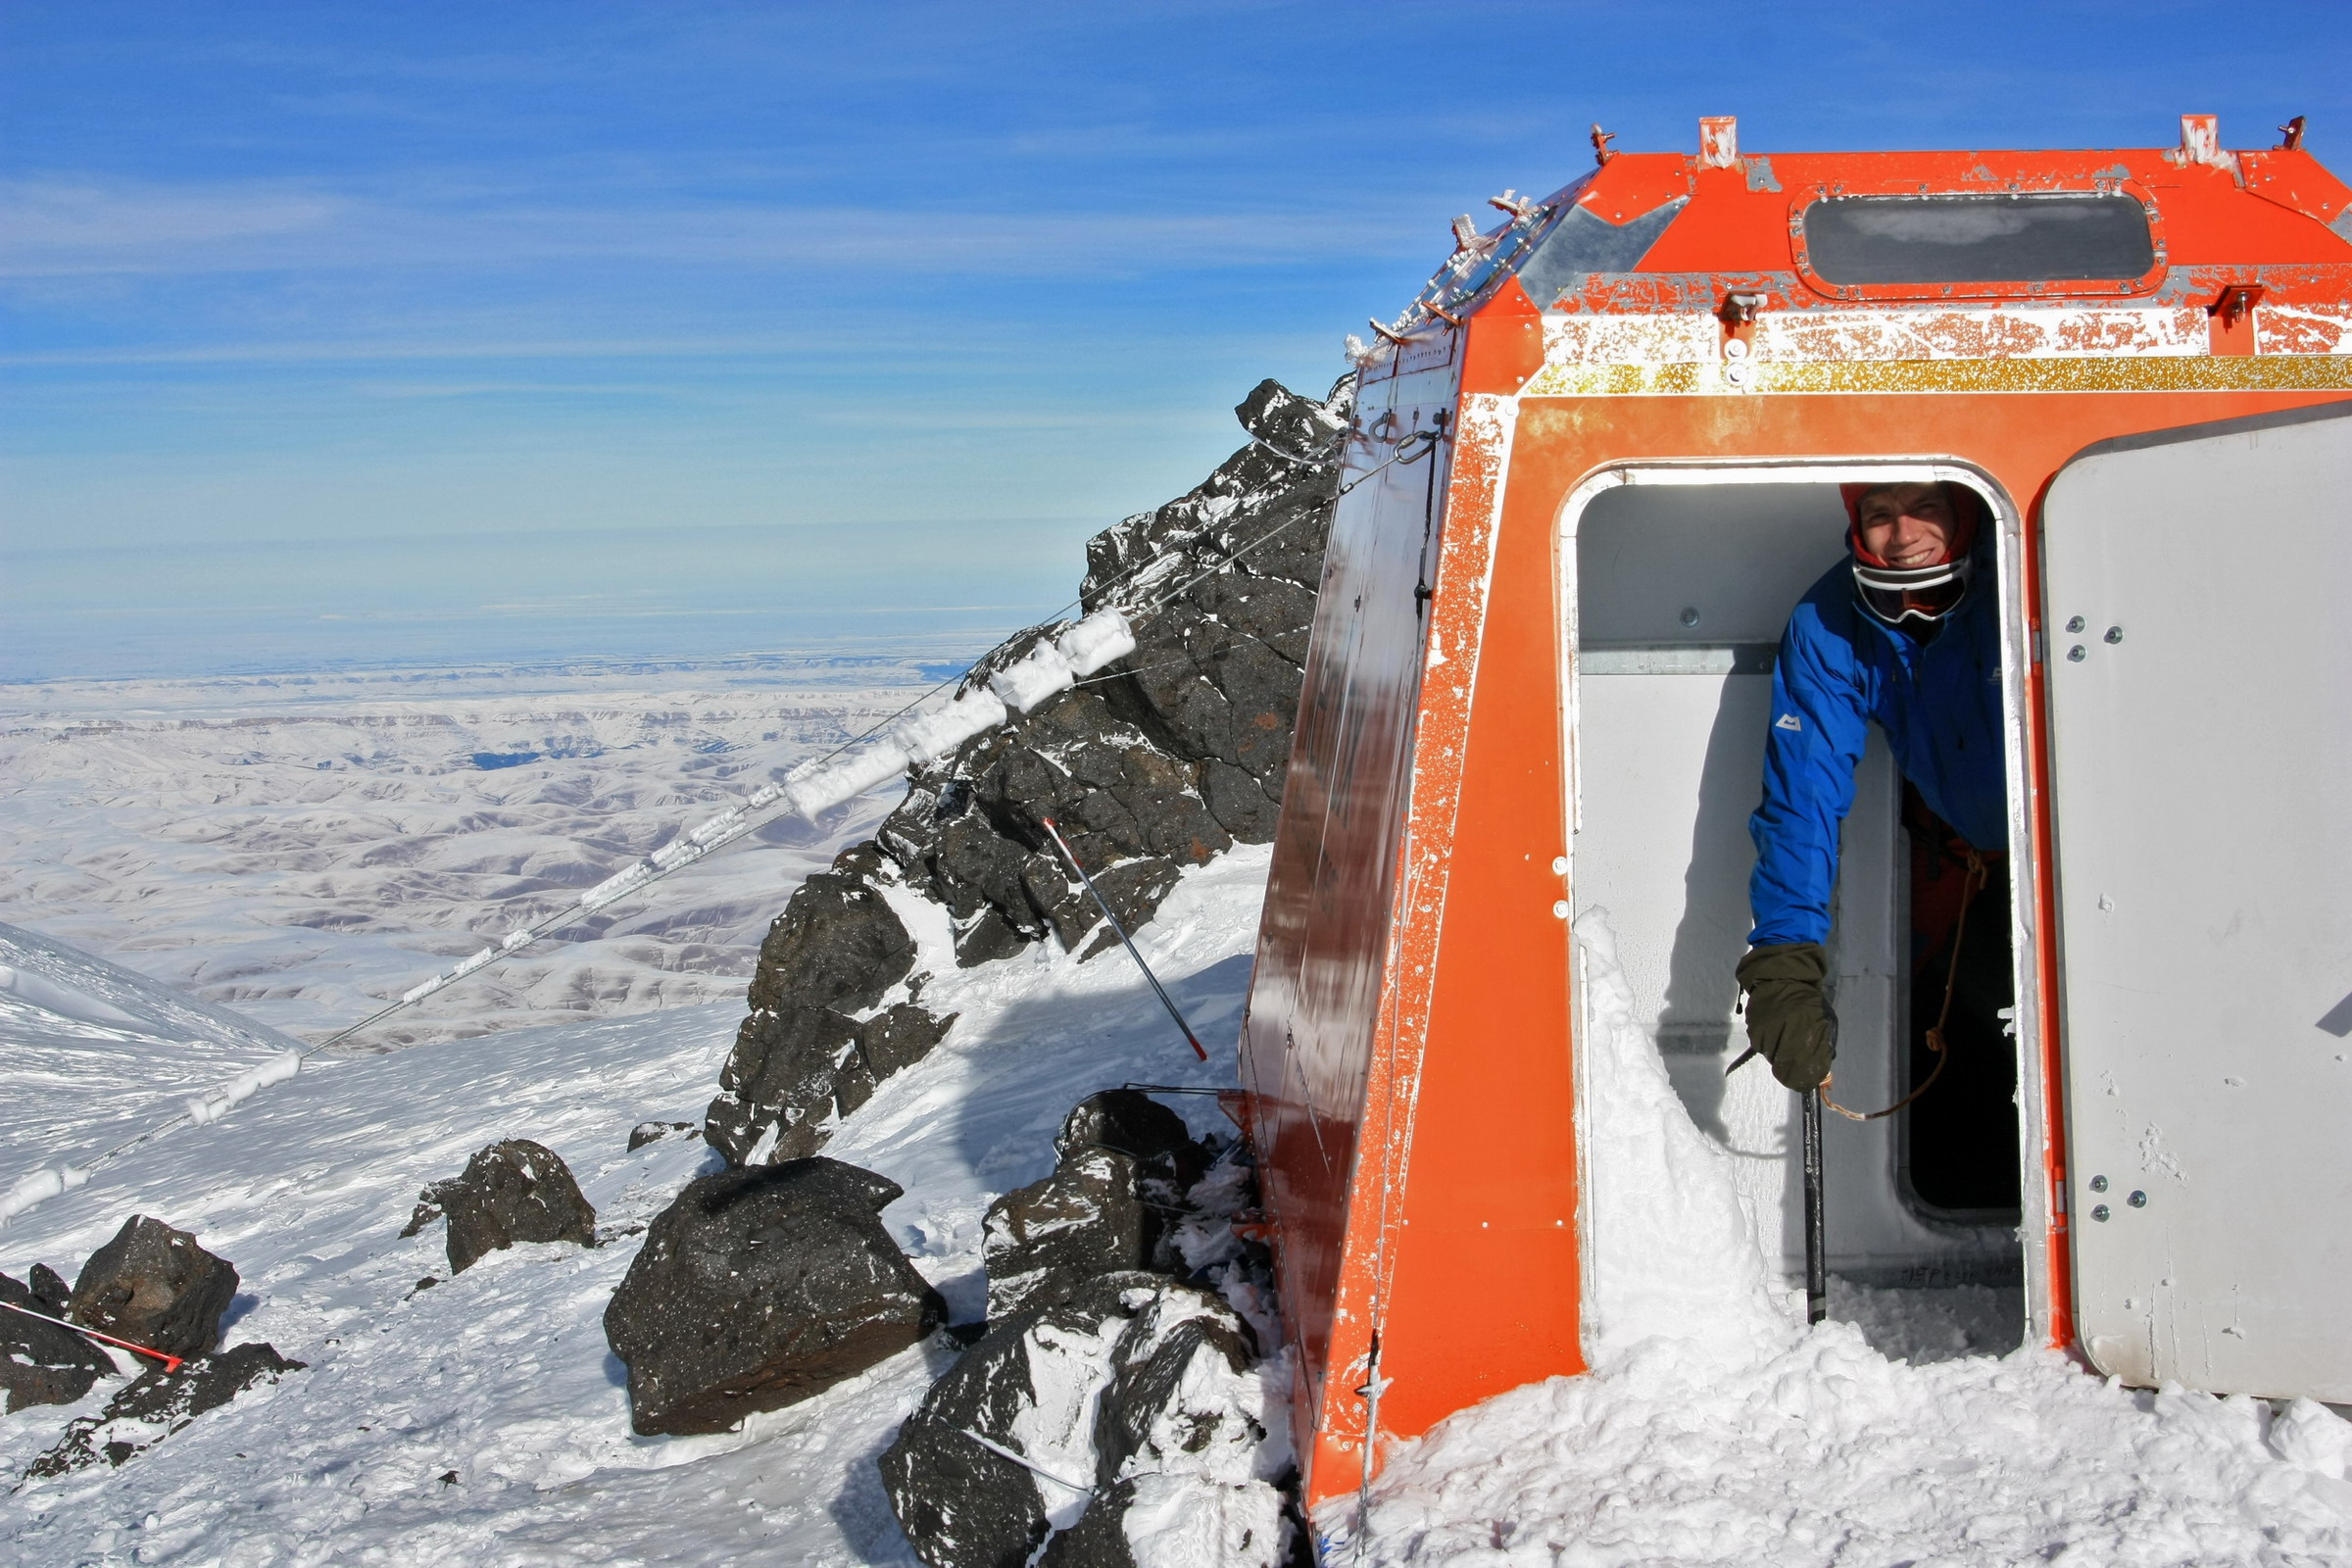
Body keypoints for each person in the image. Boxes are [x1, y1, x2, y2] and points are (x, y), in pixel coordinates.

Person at [1736, 480, 2009, 1099]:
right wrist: (1785, 963)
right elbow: (1803, 798)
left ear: (1964, 510)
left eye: (1926, 509)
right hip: (1963, 851)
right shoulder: (1830, 621)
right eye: (1880, 514)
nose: (1904, 535)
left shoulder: (2027, 572)